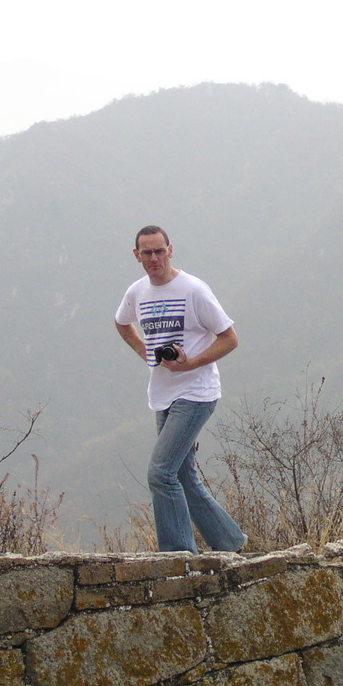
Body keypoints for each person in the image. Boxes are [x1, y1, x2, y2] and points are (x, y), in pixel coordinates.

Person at [114, 225, 247, 553]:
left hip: (196, 392)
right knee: (183, 477)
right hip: (163, 396)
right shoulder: (137, 292)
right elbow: (122, 322)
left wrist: (192, 363)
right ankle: (229, 542)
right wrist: (143, 350)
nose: (154, 258)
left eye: (159, 251)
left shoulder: (193, 290)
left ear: (170, 250)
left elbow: (230, 338)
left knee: (160, 473)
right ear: (137, 255)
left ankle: (179, 557)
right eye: (147, 252)